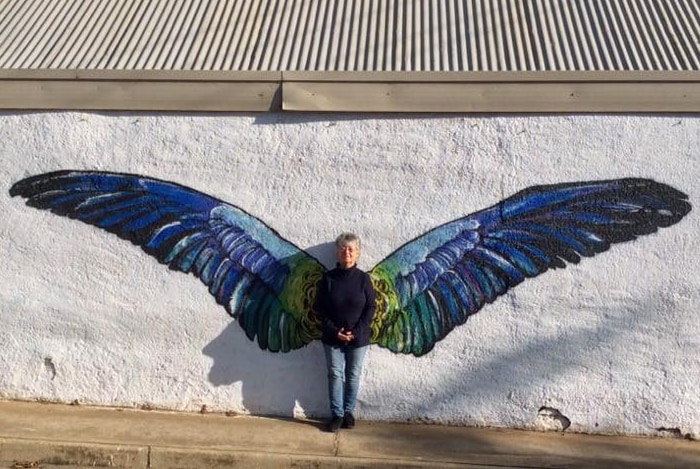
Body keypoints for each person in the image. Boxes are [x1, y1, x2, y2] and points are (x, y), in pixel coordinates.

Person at [313, 232, 377, 432]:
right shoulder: (328, 279)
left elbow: (371, 307)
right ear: (337, 252)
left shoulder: (363, 279)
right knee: (334, 374)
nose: (346, 252)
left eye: (351, 249)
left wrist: (357, 332)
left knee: (353, 375)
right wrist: (334, 332)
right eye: (343, 248)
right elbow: (319, 309)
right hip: (332, 337)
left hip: (359, 338)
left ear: (357, 253)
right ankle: (337, 415)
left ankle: (348, 412)